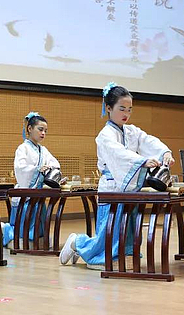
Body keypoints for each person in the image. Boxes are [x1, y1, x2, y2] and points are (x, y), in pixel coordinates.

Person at [60, 82, 174, 267]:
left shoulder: (131, 131)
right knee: (108, 233)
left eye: (129, 109)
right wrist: (142, 161)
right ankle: (78, 242)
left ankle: (125, 254)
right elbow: (118, 154)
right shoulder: (105, 135)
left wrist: (164, 152)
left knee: (128, 226)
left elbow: (148, 141)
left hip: (128, 186)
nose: (126, 113)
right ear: (108, 108)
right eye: (121, 108)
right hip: (112, 187)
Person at [0, 111, 61, 248]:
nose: (43, 133)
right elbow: (20, 168)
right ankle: (6, 232)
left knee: (39, 222)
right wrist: (38, 169)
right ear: (30, 129)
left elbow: (55, 164)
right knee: (24, 225)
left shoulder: (43, 150)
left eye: (45, 131)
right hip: (25, 194)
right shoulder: (22, 148)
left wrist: (51, 170)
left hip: (38, 194)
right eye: (40, 129)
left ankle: (37, 239)